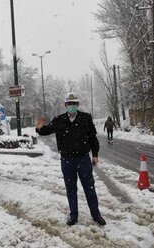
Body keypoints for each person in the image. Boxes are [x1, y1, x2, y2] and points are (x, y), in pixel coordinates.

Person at [35, 92, 106, 226]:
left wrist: (95, 154)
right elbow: (46, 130)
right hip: (67, 160)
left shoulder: (86, 118)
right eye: (69, 104)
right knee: (71, 188)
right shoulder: (59, 119)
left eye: (74, 104)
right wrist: (39, 128)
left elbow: (93, 138)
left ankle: (96, 215)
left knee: (89, 188)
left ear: (77, 104)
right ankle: (73, 215)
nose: (72, 106)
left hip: (83, 159)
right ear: (65, 105)